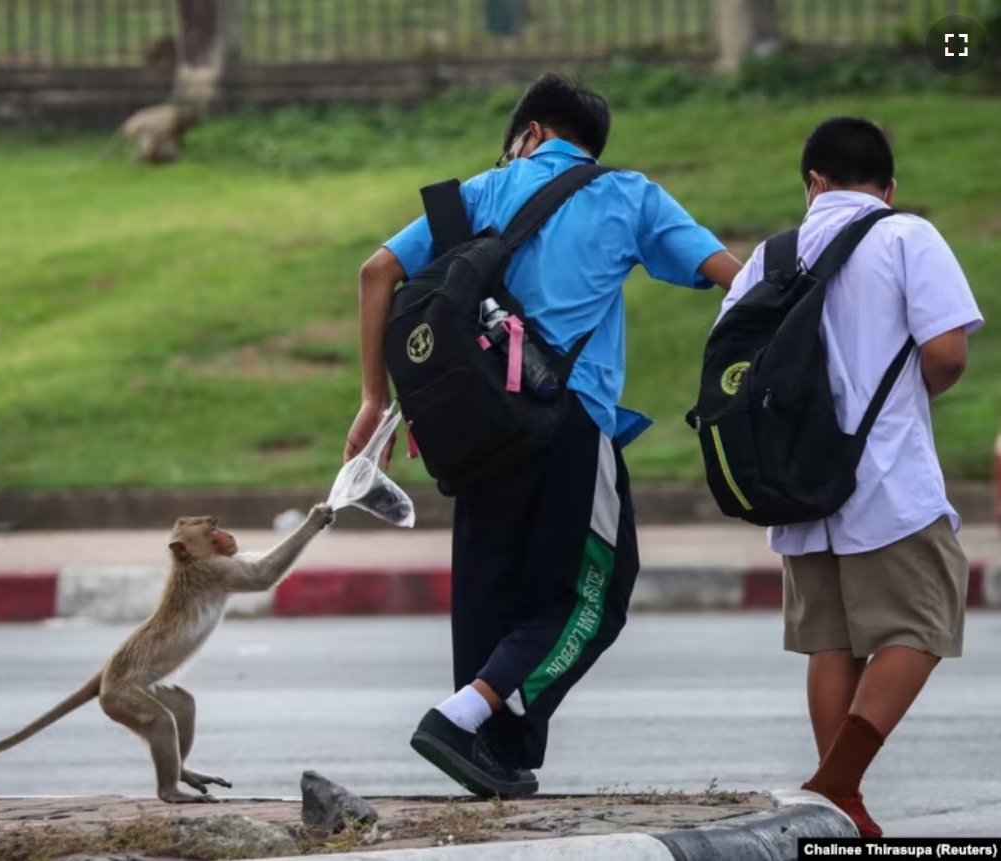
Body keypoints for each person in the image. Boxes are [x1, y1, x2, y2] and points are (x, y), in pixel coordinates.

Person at [346, 73, 743, 797]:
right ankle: (459, 716)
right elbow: (731, 277)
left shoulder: (472, 194)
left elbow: (377, 273)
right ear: (586, 143)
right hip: (568, 419)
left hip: (473, 433)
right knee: (595, 590)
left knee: (491, 586)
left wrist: (373, 397)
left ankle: (494, 752)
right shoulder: (628, 195)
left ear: (529, 133)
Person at [714, 116, 982, 838]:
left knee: (830, 640)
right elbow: (948, 351)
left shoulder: (767, 258)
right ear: (887, 188)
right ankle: (832, 784)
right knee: (923, 620)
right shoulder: (904, 236)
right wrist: (903, 397)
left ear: (812, 183)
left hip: (794, 480)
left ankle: (840, 807)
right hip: (884, 474)